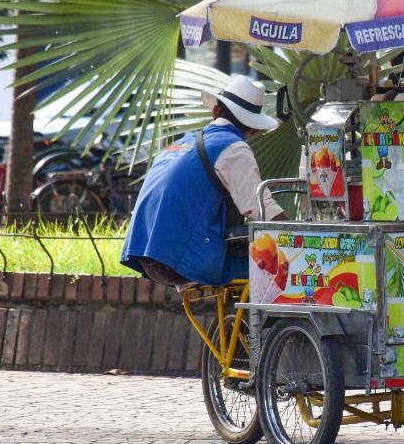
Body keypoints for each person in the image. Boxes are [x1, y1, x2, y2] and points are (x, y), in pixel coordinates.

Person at [121, 75, 286, 287]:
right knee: (278, 265)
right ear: (254, 128)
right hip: (175, 261)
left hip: (145, 255)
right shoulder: (233, 147)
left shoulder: (182, 143)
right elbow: (260, 208)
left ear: (215, 111)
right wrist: (300, 237)